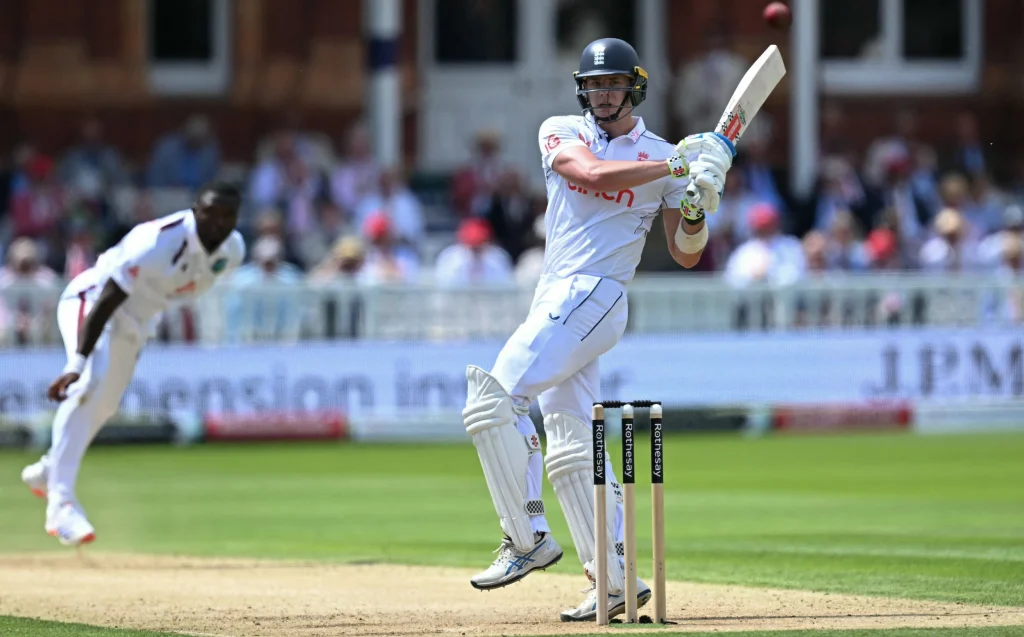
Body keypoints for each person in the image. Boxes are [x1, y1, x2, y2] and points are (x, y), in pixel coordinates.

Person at [460, 38, 734, 622]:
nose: (602, 94)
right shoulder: (561, 130)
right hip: (557, 293)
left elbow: (686, 254)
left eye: (613, 84)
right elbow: (592, 175)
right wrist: (680, 166)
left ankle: (527, 538)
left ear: (634, 86)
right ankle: (614, 580)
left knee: (492, 400)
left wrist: (692, 208)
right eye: (594, 84)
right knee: (569, 441)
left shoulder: (661, 153)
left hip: (597, 292)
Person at [19, 183, 246, 546]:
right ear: (194, 210)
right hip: (93, 303)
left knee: (104, 406)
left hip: (137, 324)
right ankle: (60, 503)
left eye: (228, 217)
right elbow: (107, 300)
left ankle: (49, 469)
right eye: (211, 214)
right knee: (89, 383)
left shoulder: (232, 251)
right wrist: (76, 362)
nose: (219, 224)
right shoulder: (156, 242)